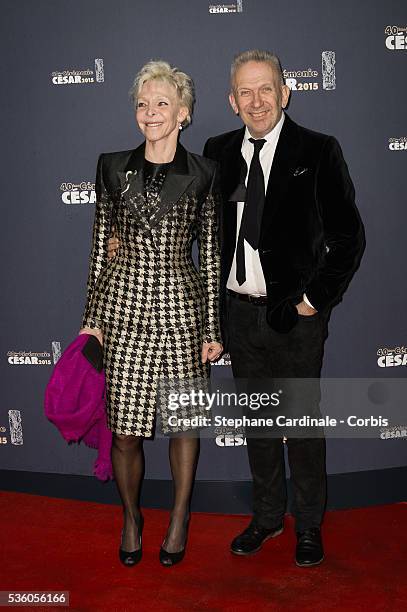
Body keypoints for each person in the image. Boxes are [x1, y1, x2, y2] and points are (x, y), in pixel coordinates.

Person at [202, 49, 365, 567]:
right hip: (240, 313)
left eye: (265, 89)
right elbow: (199, 225)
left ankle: (309, 524)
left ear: (285, 93)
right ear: (232, 101)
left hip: (295, 317)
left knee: (301, 425)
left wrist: (314, 300)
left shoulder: (317, 149)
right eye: (245, 92)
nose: (257, 101)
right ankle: (268, 517)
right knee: (259, 424)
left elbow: (348, 236)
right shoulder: (218, 150)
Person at [80, 60, 223, 568]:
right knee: (124, 431)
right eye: (143, 103)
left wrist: (212, 328)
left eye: (162, 103)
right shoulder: (112, 166)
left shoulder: (204, 173)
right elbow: (101, 245)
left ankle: (180, 518)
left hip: (181, 311)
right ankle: (131, 517)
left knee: (184, 425)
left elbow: (210, 256)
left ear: (183, 113)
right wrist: (92, 316)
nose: (150, 112)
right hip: (124, 310)